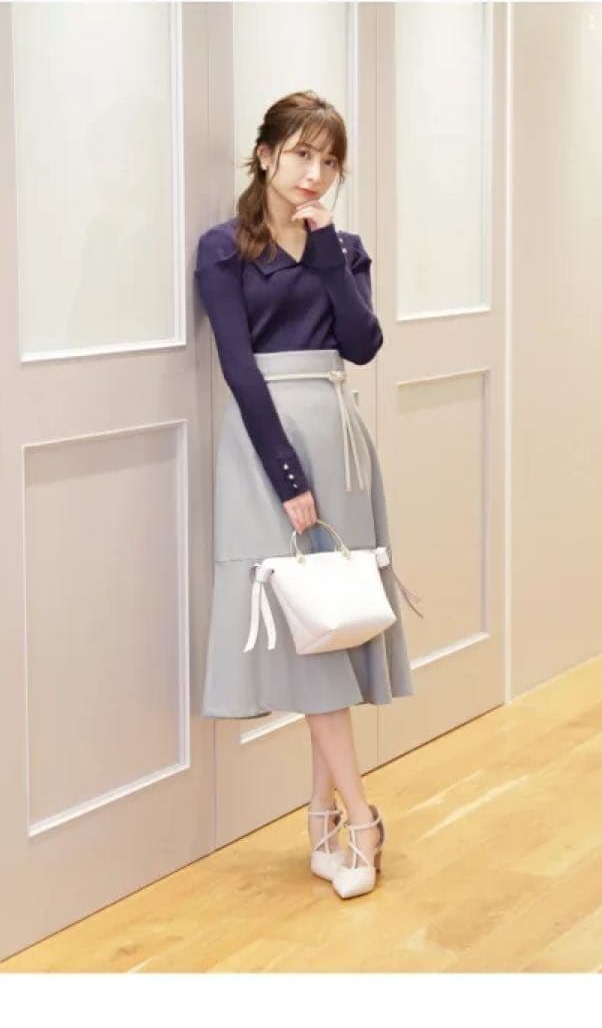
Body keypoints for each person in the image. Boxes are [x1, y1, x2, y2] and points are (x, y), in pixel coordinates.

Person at [194, 90, 420, 900]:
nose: (314, 173)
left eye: (328, 161)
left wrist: (326, 252)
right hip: (268, 448)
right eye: (300, 154)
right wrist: (288, 479)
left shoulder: (342, 249)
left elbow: (361, 344)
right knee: (304, 633)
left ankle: (324, 818)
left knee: (334, 624)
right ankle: (361, 817)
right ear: (266, 156)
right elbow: (238, 370)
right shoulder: (223, 249)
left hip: (340, 439)